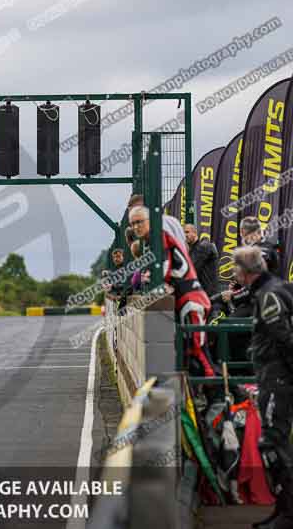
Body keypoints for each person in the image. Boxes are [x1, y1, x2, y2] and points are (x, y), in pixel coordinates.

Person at [232, 246, 293, 529]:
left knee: (272, 443)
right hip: (275, 376)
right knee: (275, 441)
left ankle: (288, 513)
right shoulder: (275, 287)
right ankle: (282, 510)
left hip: (277, 377)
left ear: (245, 271)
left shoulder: (268, 294)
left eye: (236, 268)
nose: (234, 273)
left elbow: (284, 338)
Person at [129, 205, 215, 377]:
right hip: (185, 299)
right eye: (132, 224)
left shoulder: (160, 237)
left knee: (196, 352)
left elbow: (165, 268)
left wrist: (155, 283)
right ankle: (206, 397)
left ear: (150, 221)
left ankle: (223, 397)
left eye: (139, 222)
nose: (136, 227)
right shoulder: (154, 240)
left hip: (191, 300)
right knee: (189, 354)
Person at [185, 224, 219, 297]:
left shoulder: (203, 246)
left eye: (187, 232)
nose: (185, 235)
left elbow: (190, 269)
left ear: (194, 233)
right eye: (183, 233)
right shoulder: (193, 250)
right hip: (201, 293)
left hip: (208, 295)